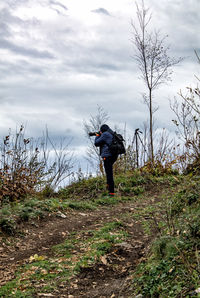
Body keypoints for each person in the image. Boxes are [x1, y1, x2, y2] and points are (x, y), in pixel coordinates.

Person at [94, 124, 118, 196]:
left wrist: (97, 135)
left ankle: (111, 193)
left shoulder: (105, 134)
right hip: (113, 156)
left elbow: (96, 143)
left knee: (109, 173)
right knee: (109, 172)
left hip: (107, 156)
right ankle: (108, 187)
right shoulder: (111, 133)